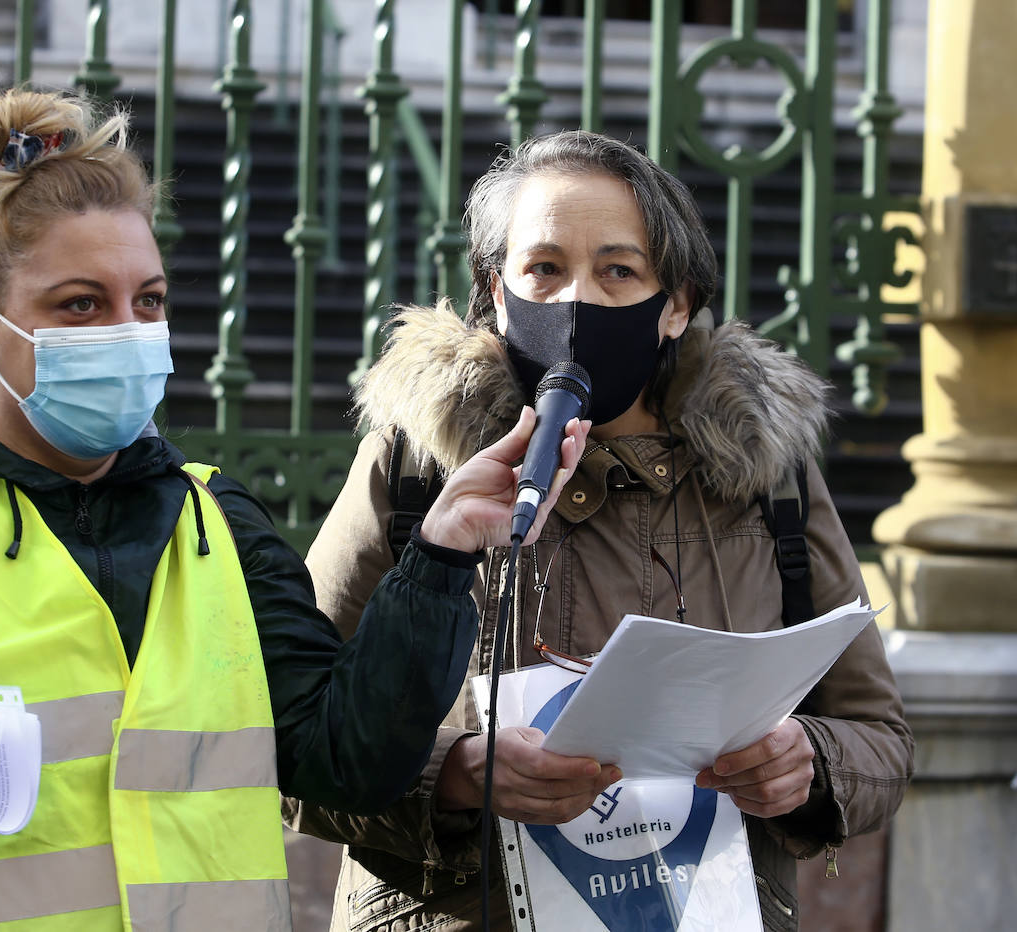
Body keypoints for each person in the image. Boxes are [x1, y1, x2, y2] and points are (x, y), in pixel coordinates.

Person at [0, 88, 590, 931]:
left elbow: (344, 760)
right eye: (80, 305)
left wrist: (440, 554)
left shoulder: (215, 521)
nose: (127, 330)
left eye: (147, 301)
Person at [284, 130, 915, 932]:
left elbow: (881, 741)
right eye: (545, 269)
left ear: (676, 303)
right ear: (496, 289)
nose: (576, 302)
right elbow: (290, 743)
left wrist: (809, 763)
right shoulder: (414, 471)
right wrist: (453, 775)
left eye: (618, 271)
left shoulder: (767, 479)